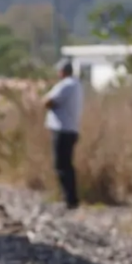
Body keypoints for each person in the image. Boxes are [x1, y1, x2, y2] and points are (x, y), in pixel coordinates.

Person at [44, 60, 83, 209]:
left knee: (61, 166)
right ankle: (71, 198)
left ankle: (70, 200)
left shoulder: (65, 85)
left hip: (62, 130)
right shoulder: (77, 85)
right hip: (71, 129)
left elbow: (48, 101)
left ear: (62, 71)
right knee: (67, 165)